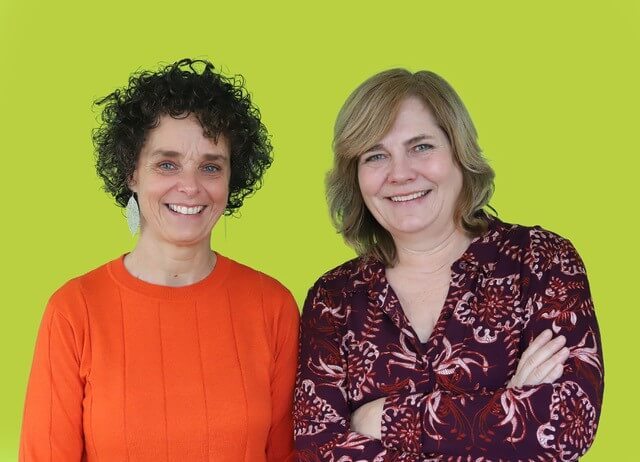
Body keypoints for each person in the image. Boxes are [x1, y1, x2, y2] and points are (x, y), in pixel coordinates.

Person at [294, 69, 603, 461]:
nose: (400, 173)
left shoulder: (541, 260)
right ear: (355, 176)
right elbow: (317, 449)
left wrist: (380, 418)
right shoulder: (334, 298)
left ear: (459, 153)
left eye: (421, 147)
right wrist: (506, 409)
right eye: (375, 155)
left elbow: (566, 423)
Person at [20, 59, 299, 462]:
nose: (190, 186)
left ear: (230, 179)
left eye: (210, 167)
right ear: (132, 173)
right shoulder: (74, 310)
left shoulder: (272, 306)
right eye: (167, 164)